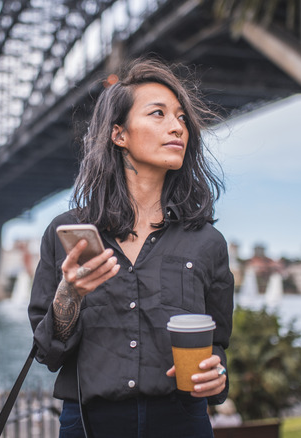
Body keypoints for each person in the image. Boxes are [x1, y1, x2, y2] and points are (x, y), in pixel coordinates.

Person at [28, 57, 234, 438]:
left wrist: (216, 375)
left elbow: (217, 344)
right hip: (90, 424)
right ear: (119, 134)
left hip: (182, 422)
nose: (177, 127)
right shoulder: (67, 234)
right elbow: (48, 353)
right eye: (158, 114)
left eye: (182, 118)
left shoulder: (207, 242)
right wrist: (69, 294)